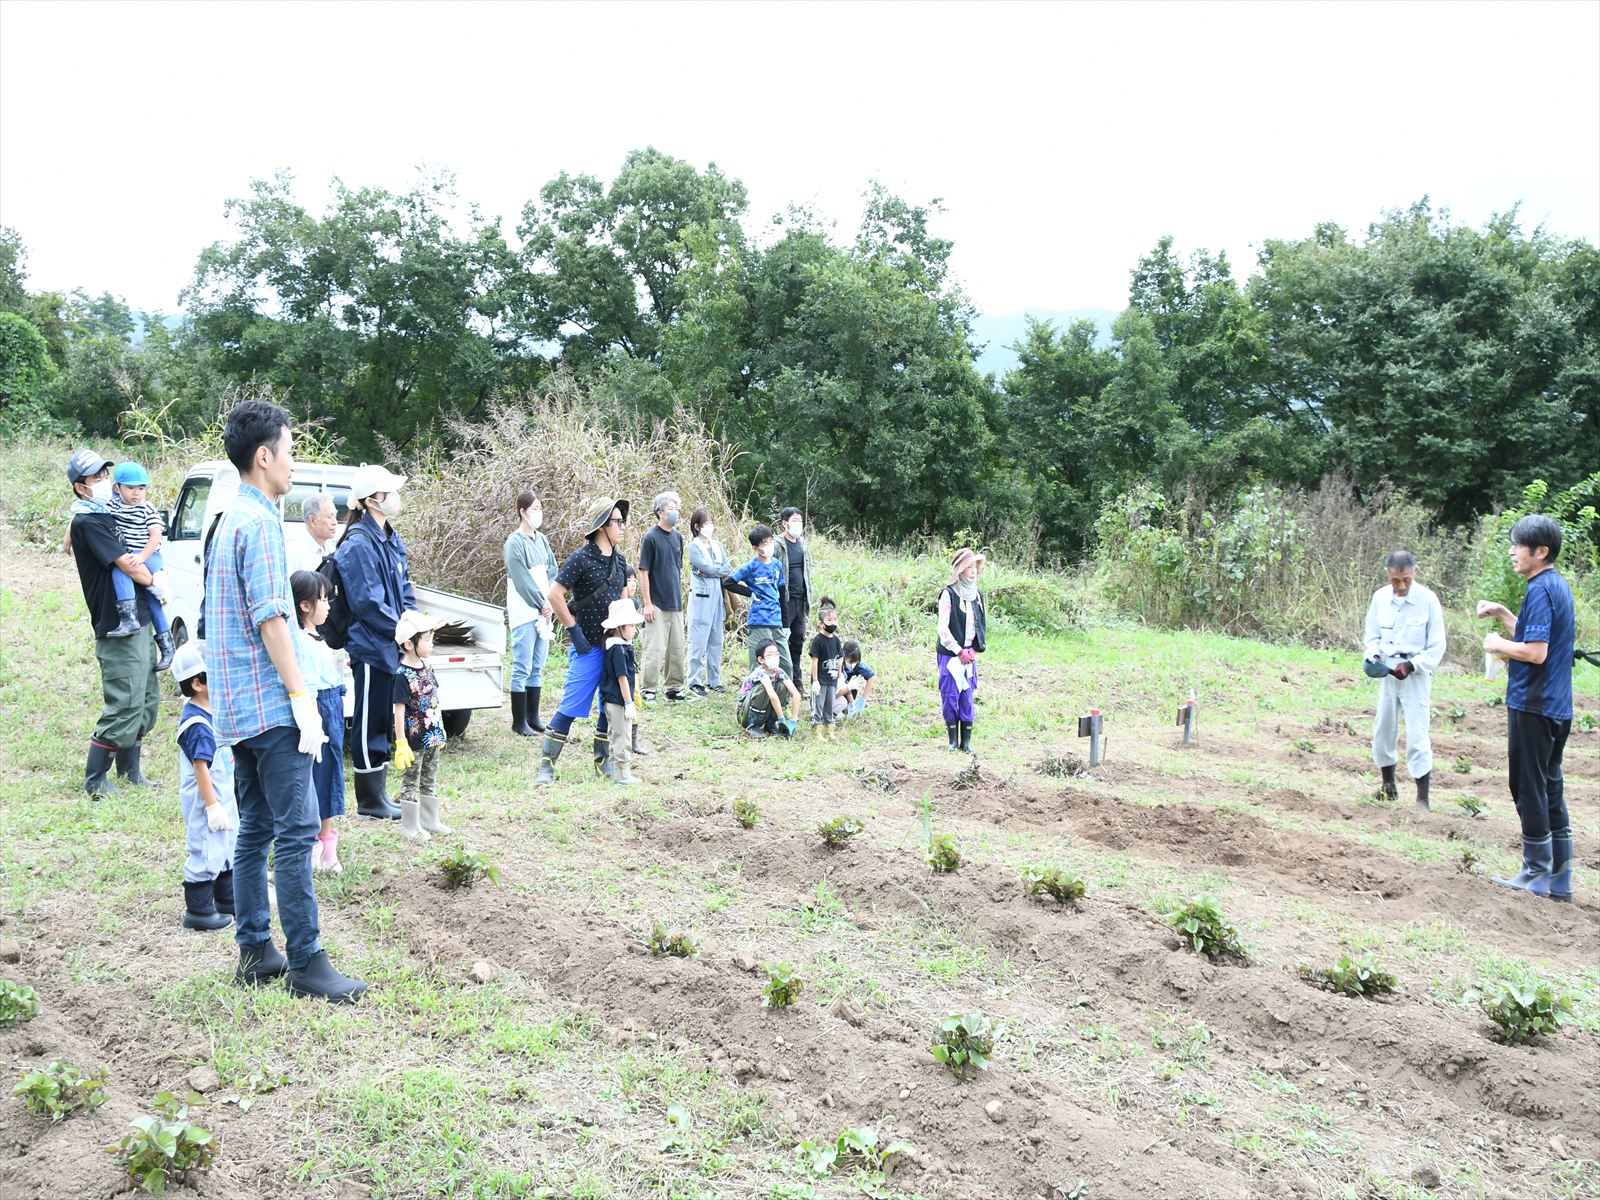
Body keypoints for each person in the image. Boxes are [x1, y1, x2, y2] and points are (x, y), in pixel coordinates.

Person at [203, 398, 365, 1002]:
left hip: (237, 707)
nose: (295, 463)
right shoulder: (264, 523)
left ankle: (254, 951)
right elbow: (273, 620)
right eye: (291, 452)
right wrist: (301, 698)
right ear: (263, 456)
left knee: (255, 832)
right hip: (271, 705)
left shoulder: (225, 519)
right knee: (296, 833)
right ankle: (307, 961)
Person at [1479, 515, 1577, 901]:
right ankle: (1560, 879)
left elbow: (1536, 653)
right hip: (1557, 706)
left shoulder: (1539, 590)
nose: (1512, 552)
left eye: (1518, 546)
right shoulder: (1556, 585)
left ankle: (1535, 872)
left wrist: (1496, 645)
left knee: (1527, 787)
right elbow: (1538, 635)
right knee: (1550, 786)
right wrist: (1505, 616)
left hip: (1533, 705)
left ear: (1541, 551)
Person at [66, 448, 160, 797]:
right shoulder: (88, 522)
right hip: (115, 622)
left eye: (106, 475)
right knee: (124, 699)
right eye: (96, 478)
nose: (105, 482)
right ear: (81, 488)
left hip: (140, 615)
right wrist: (158, 584)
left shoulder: (106, 514)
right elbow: (128, 565)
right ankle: (95, 779)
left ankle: (130, 769)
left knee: (146, 697)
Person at [335, 463, 416, 821]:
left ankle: (379, 794)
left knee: (383, 718)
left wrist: (412, 622)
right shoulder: (356, 544)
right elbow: (367, 601)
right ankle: (369, 800)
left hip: (391, 641)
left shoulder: (390, 536)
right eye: (388, 493)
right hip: (370, 644)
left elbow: (404, 587)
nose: (394, 498)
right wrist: (400, 628)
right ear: (370, 501)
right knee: (369, 721)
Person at [538, 496, 630, 785]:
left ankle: (603, 765)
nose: (622, 527)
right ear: (602, 526)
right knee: (571, 704)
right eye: (617, 521)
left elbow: (624, 601)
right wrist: (573, 630)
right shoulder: (581, 558)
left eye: (623, 521)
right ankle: (546, 765)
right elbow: (555, 594)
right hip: (587, 645)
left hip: (612, 646)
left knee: (609, 705)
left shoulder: (620, 560)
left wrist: (626, 636)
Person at [1362, 550, 1448, 812]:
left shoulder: (1428, 600)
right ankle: (1389, 787)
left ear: (1414, 574)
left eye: (1406, 580)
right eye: (1396, 580)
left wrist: (1412, 665)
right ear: (1388, 575)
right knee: (1383, 730)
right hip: (1388, 671)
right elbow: (1372, 637)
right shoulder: (1380, 598)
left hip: (1416, 675)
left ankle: (1423, 798)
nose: (1401, 586)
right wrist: (1374, 658)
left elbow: (1437, 646)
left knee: (1417, 735)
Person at [169, 643, 238, 932]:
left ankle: (226, 898)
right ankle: (198, 910)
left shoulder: (211, 712)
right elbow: (200, 767)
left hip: (224, 796)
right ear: (197, 683)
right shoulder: (196, 723)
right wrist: (211, 806)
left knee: (226, 846)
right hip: (207, 802)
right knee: (205, 850)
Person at [291, 570, 347, 872]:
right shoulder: (299, 642)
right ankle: (313, 848)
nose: (328, 606)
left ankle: (327, 844)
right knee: (317, 776)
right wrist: (313, 722)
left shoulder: (319, 639)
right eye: (323, 599)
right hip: (318, 713)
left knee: (331, 775)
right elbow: (307, 687)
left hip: (332, 710)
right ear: (305, 606)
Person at [107, 462, 177, 671]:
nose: (136, 493)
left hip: (150, 555)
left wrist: (141, 556)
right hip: (132, 556)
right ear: (117, 488)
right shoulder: (112, 506)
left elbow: (156, 536)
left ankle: (167, 648)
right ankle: (129, 619)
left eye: (141, 488)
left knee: (123, 570)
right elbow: (90, 514)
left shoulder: (147, 508)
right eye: (130, 488)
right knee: (144, 594)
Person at [392, 611, 450, 842]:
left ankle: (429, 820)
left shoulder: (428, 667)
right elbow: (398, 710)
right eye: (426, 639)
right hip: (413, 739)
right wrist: (400, 742)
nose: (431, 643)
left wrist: (441, 728)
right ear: (409, 644)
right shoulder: (402, 675)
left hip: (433, 735)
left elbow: (434, 699)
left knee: (430, 776)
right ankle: (409, 825)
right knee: (411, 779)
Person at [504, 491, 558, 737]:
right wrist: (540, 602)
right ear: (522, 512)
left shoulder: (542, 540)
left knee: (537, 666)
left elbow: (552, 569)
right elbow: (521, 579)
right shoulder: (514, 542)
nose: (538, 512)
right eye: (534, 508)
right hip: (525, 611)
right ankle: (519, 721)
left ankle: (533, 716)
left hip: (544, 610)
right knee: (522, 666)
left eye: (540, 507)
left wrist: (549, 601)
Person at [638, 490, 693, 703]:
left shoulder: (678, 537)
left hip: (676, 602)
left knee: (677, 648)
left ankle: (673, 688)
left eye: (677, 509)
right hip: (657, 602)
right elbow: (644, 571)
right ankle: (649, 689)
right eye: (671, 509)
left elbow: (675, 570)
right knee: (655, 648)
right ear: (660, 512)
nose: (675, 513)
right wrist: (647, 604)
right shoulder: (651, 537)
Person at [686, 507, 744, 695]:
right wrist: (714, 570)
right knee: (698, 640)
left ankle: (714, 680)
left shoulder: (717, 545)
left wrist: (713, 569)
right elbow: (704, 567)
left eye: (711, 523)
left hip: (718, 596)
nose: (710, 526)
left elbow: (725, 568)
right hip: (702, 598)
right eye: (706, 523)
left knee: (716, 639)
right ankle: (694, 680)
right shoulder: (694, 546)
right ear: (697, 526)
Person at [937, 548, 986, 754]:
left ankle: (966, 742)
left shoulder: (978, 595)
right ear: (960, 570)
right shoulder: (948, 594)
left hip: (969, 653)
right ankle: (952, 741)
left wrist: (974, 649)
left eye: (975, 566)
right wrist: (958, 651)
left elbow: (981, 626)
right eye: (968, 567)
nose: (973, 571)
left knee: (967, 695)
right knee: (950, 695)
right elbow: (943, 629)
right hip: (951, 654)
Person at [729, 525, 792, 679]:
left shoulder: (777, 564)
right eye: (764, 543)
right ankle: (753, 698)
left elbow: (782, 593)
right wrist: (750, 593)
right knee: (758, 666)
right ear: (755, 548)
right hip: (759, 621)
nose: (769, 545)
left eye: (770, 541)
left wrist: (786, 624)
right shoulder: (751, 566)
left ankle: (781, 699)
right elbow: (728, 583)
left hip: (776, 621)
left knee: (786, 664)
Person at [601, 598, 645, 786]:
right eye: (632, 626)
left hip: (613, 699)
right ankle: (622, 774)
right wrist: (628, 703)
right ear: (620, 627)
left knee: (616, 735)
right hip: (618, 700)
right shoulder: (618, 649)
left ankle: (615, 770)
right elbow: (622, 678)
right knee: (622, 736)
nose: (635, 629)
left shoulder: (617, 644)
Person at [737, 639, 803, 738]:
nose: (774, 657)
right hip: (745, 714)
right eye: (770, 655)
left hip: (764, 712)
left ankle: (770, 724)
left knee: (782, 686)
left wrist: (793, 721)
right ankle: (752, 726)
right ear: (761, 660)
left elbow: (796, 694)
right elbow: (772, 696)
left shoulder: (779, 671)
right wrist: (782, 720)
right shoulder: (760, 672)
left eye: (776, 654)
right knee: (762, 688)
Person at [777, 507, 814, 685]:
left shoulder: (802, 544)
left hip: (801, 601)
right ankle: (782, 683)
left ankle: (797, 683)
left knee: (798, 641)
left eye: (800, 520)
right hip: (784, 601)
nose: (798, 523)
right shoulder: (777, 544)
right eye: (794, 520)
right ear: (785, 523)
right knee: (781, 642)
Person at [808, 596, 843, 739]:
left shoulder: (836, 640)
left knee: (829, 705)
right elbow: (814, 662)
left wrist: (840, 678)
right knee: (818, 705)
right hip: (821, 681)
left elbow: (839, 659)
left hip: (832, 680)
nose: (833, 623)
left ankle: (829, 731)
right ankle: (816, 730)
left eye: (835, 620)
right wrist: (815, 681)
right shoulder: (818, 640)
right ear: (821, 624)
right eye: (829, 620)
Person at [290, 493, 340, 574]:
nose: (335, 522)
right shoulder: (295, 553)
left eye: (335, 516)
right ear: (312, 520)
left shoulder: (331, 549)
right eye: (330, 517)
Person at [836, 641, 876, 719]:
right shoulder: (838, 665)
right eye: (850, 661)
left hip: (849, 694)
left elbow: (871, 677)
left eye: (854, 662)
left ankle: (848, 707)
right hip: (837, 693)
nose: (852, 665)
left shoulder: (858, 666)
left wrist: (862, 699)